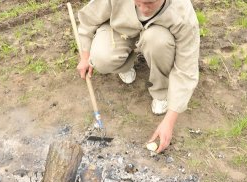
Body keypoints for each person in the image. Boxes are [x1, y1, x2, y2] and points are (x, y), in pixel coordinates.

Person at [77, 0, 200, 153]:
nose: (143, 9)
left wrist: (169, 121)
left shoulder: (182, 12)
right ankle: (124, 65)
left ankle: (161, 91)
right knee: (101, 58)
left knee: (157, 41)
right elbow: (88, 20)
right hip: (119, 29)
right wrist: (84, 56)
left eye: (149, 4)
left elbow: (186, 70)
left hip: (157, 36)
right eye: (138, 3)